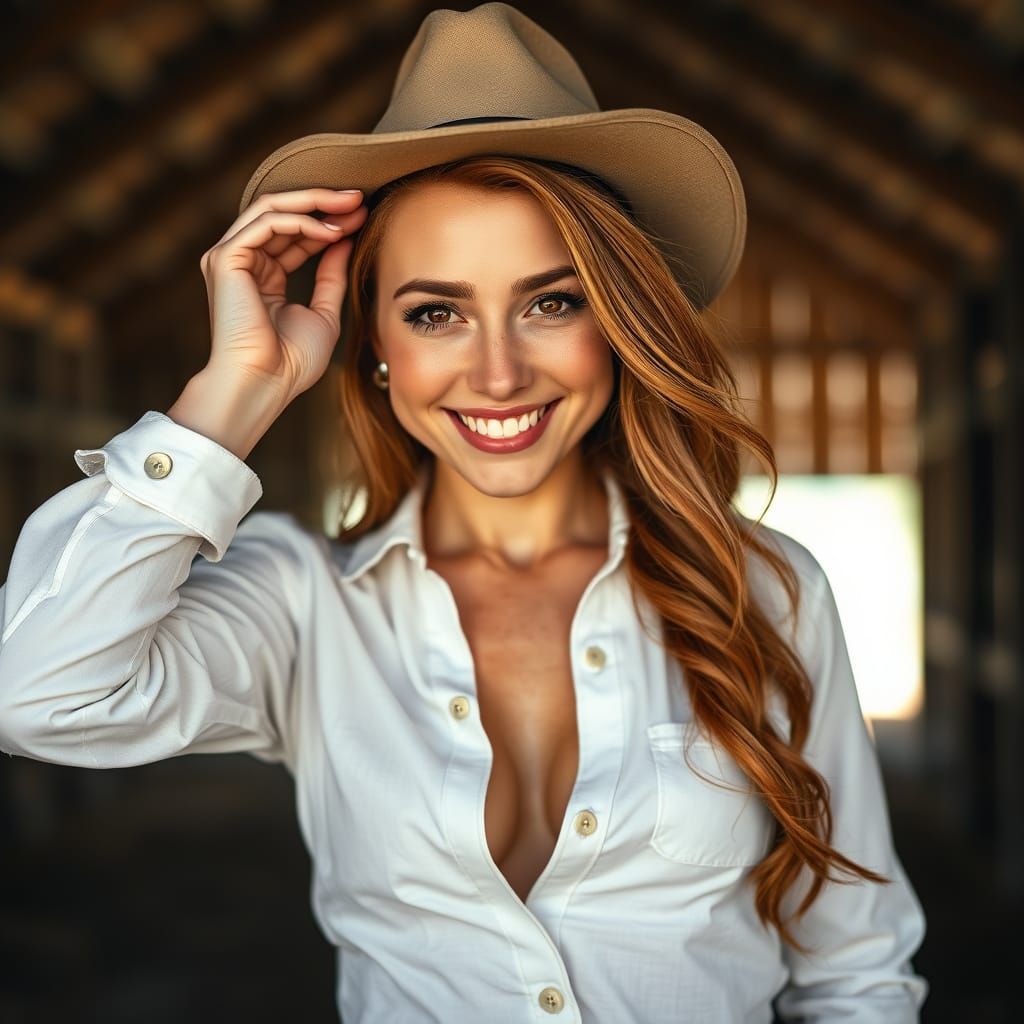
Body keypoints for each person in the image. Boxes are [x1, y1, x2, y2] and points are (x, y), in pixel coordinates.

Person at [0, 3, 927, 1022]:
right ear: (376, 344)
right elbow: (36, 691)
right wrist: (232, 392)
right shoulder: (304, 604)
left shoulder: (763, 589)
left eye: (552, 301)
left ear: (618, 327)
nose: (495, 373)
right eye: (436, 311)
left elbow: (856, 966)